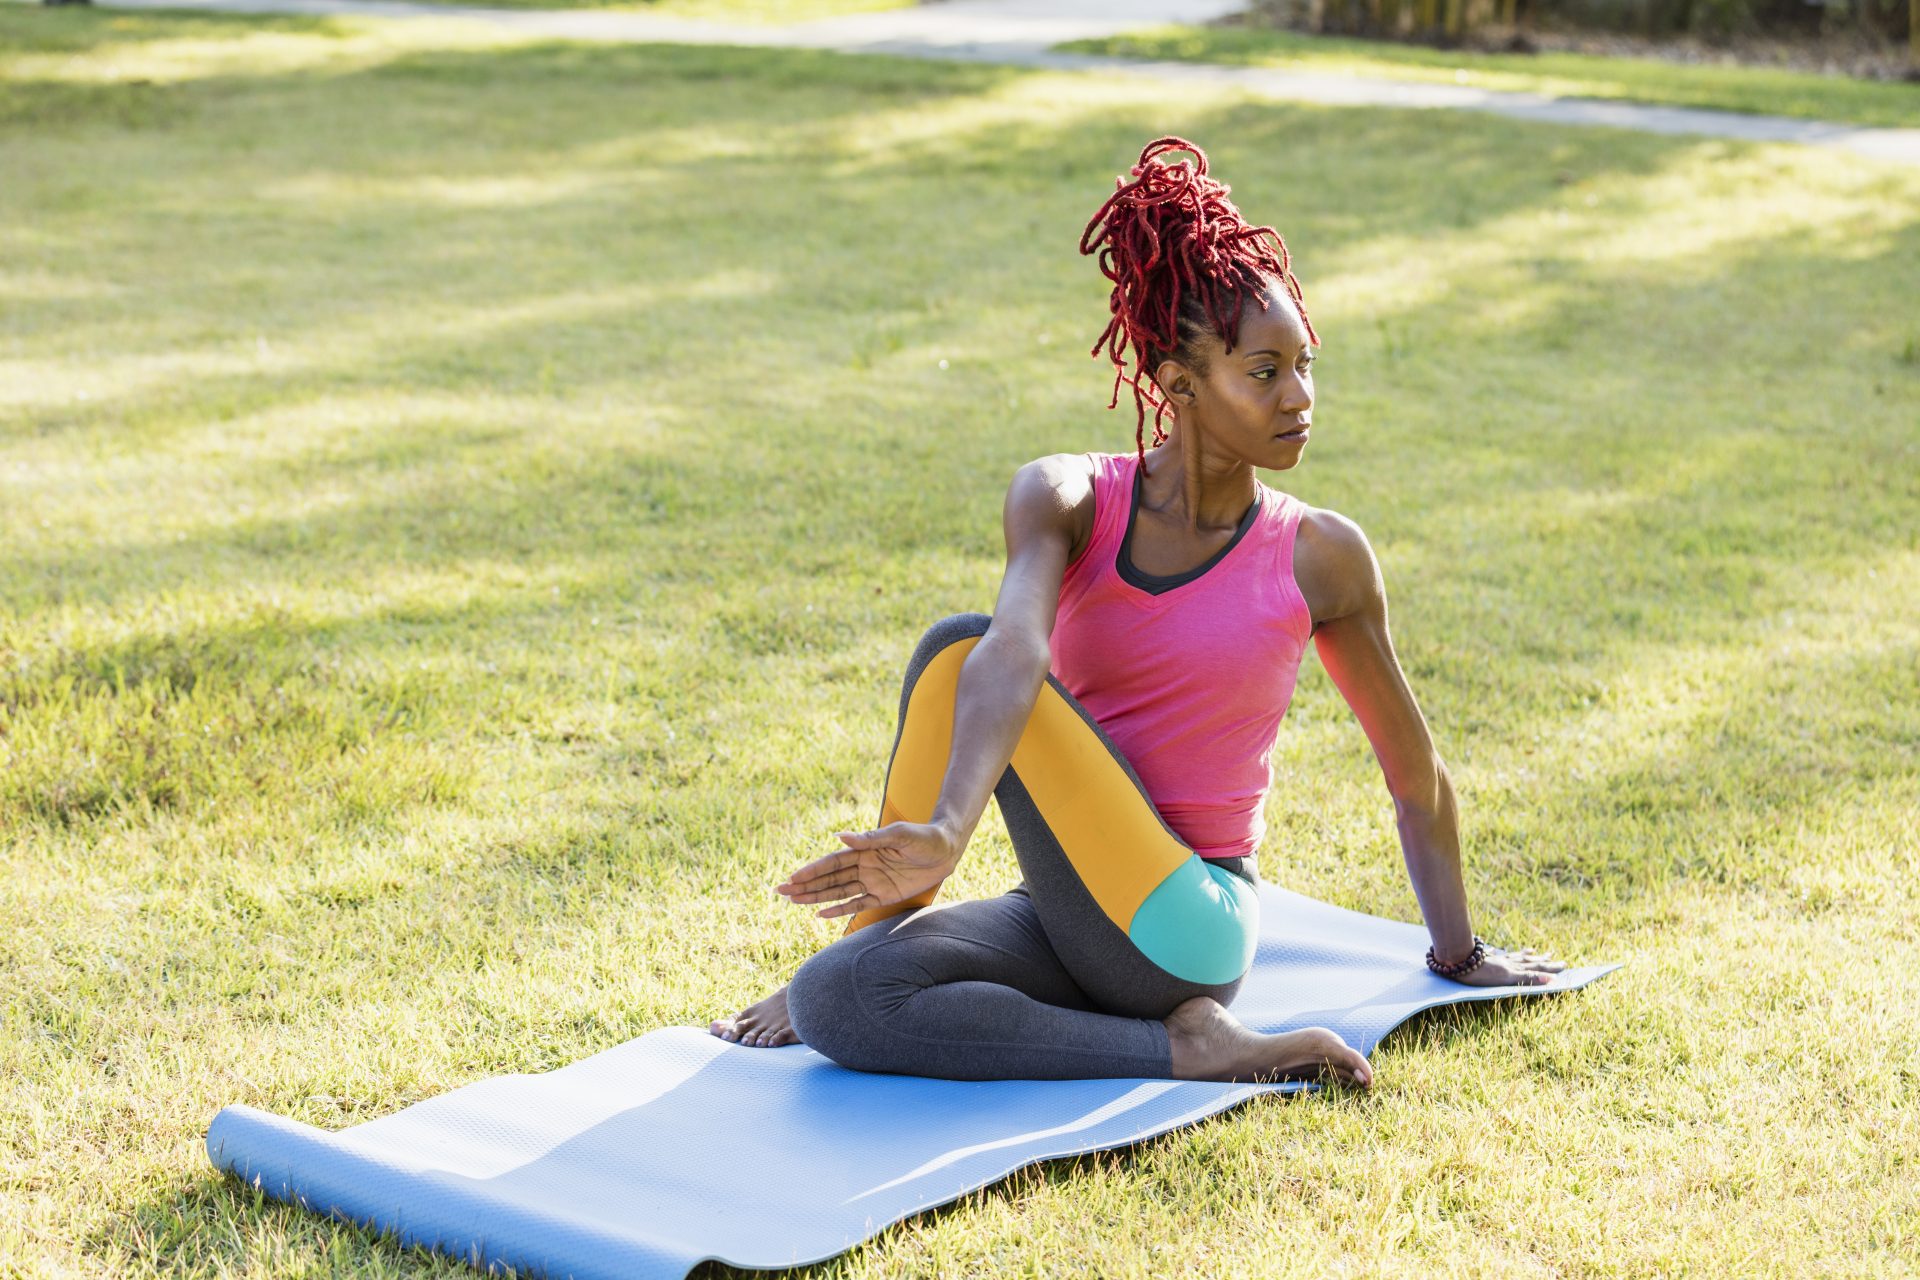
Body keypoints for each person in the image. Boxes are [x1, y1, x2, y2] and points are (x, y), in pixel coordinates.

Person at [708, 136, 1566, 1085]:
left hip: (1190, 923)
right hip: (1072, 909)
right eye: (1266, 371)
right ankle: (1184, 1048)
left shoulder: (1321, 555)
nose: (1302, 398)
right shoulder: (1066, 498)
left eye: (1306, 364)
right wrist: (878, 920)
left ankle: (1188, 1023)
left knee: (958, 648)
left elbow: (1415, 772)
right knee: (843, 999)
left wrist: (1457, 954)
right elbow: (1016, 651)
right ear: (1178, 384)